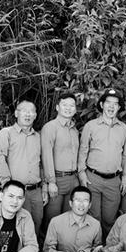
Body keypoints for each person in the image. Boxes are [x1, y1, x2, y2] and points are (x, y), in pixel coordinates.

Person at [77, 89, 126, 238]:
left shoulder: (124, 129)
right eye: (108, 102)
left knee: (109, 219)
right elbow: (83, 150)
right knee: (93, 217)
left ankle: (108, 248)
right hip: (92, 178)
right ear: (102, 105)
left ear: (119, 107)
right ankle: (93, 247)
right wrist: (81, 173)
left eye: (115, 104)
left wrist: (125, 177)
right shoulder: (91, 126)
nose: (111, 107)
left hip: (114, 181)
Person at [0, 100, 47, 235]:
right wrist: (8, 186)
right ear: (16, 113)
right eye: (24, 111)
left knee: (35, 225)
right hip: (15, 192)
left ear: (35, 115)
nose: (28, 114)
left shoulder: (38, 137)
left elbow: (41, 164)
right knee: (14, 229)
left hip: (35, 191)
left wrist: (44, 187)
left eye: (31, 111)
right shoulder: (6, 133)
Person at [41, 92, 80, 228]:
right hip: (57, 179)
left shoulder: (74, 130)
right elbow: (46, 156)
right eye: (64, 105)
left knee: (69, 218)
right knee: (53, 218)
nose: (68, 108)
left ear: (75, 109)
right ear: (57, 107)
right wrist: (51, 182)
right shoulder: (50, 127)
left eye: (72, 105)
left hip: (73, 179)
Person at [43, 186, 102, 252]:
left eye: (85, 201)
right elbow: (47, 250)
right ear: (71, 203)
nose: (81, 204)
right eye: (77, 200)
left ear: (90, 205)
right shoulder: (56, 222)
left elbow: (98, 250)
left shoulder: (96, 224)